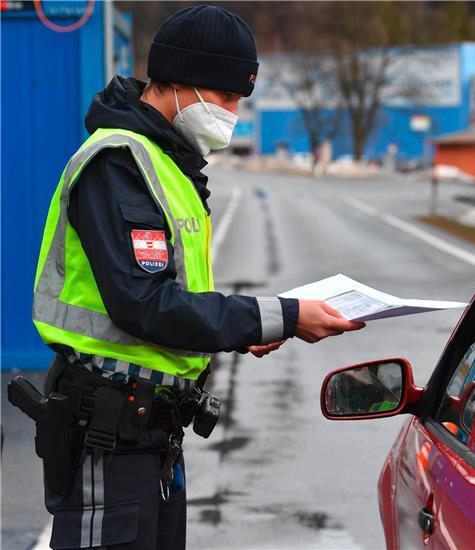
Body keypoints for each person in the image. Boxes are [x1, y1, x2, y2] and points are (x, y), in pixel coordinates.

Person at [25, 5, 364, 548]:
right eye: (226, 97)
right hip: (109, 433)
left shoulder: (168, 163)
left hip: (152, 438)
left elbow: (176, 298)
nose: (232, 113)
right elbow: (144, 304)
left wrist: (246, 330)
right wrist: (280, 316)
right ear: (179, 82)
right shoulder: (120, 163)